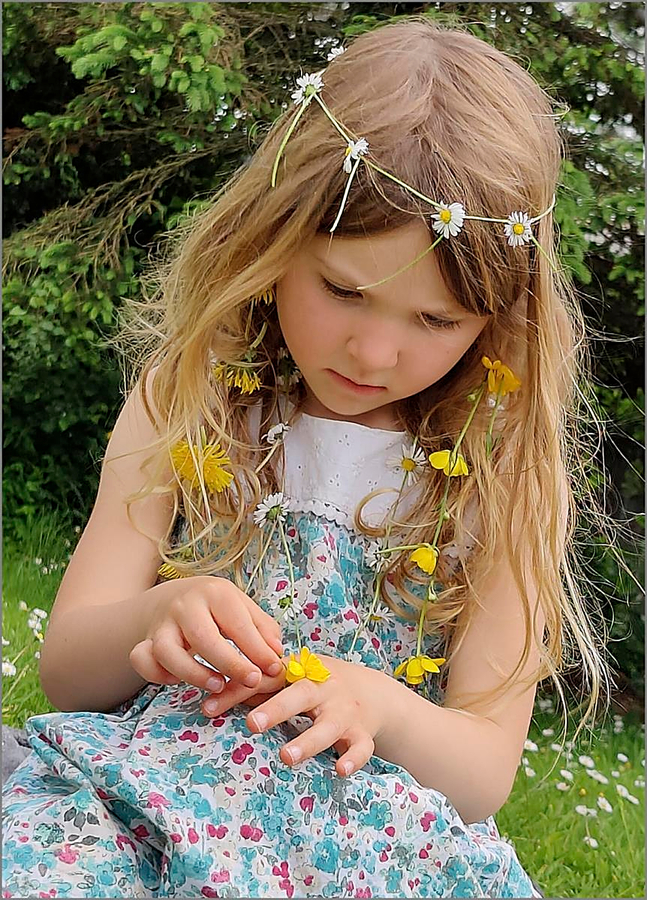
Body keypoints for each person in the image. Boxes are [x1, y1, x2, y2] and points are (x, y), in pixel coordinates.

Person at [2, 16, 613, 899]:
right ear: (273, 239)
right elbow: (66, 670)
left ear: (498, 319)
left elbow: (483, 773)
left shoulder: (501, 477)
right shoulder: (190, 400)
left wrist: (379, 705)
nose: (373, 353)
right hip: (153, 801)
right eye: (341, 290)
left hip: (366, 844)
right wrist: (158, 614)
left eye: (435, 320)